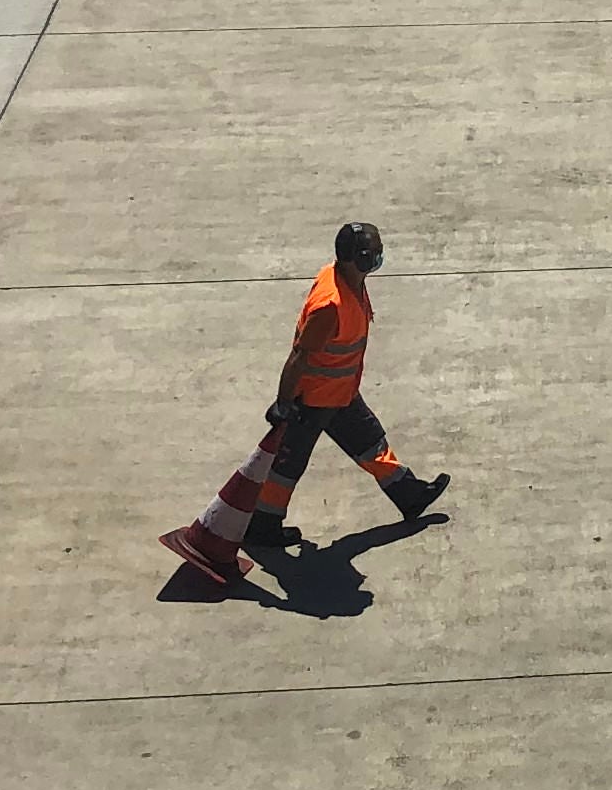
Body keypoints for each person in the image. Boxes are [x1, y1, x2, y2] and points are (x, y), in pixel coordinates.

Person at [158, 221, 447, 587]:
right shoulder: (330, 304)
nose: (377, 258)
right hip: (315, 399)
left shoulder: (349, 280)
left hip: (339, 392)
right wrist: (283, 402)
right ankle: (263, 525)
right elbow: (300, 355)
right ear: (353, 259)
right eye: (371, 254)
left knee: (369, 440)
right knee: (288, 465)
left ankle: (409, 494)